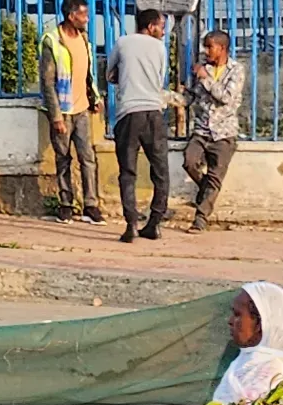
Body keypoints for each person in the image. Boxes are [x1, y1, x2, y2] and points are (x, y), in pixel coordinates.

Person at [107, 8, 172, 243]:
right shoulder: (160, 48)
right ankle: (155, 222)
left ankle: (131, 224)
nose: (163, 32)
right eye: (161, 27)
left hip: (129, 113)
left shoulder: (122, 43)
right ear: (151, 26)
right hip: (154, 112)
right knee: (160, 171)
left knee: (128, 172)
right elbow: (160, 78)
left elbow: (109, 75)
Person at [39, 0, 103, 224]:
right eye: (83, 15)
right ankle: (66, 204)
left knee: (88, 158)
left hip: (82, 108)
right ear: (71, 16)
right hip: (63, 111)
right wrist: (56, 116)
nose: (87, 19)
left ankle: (91, 205)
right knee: (63, 158)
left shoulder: (84, 38)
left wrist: (95, 97)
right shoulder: (52, 41)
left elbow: (88, 73)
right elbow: (47, 82)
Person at [183, 31, 244, 233]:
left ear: (222, 48)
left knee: (215, 176)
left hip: (224, 133)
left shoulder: (236, 70)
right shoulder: (204, 68)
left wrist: (205, 78)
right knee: (190, 161)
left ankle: (200, 218)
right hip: (202, 129)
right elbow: (192, 97)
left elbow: (226, 97)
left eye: (210, 47)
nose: (206, 51)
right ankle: (205, 189)